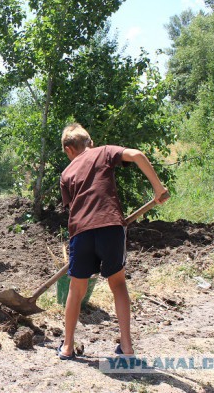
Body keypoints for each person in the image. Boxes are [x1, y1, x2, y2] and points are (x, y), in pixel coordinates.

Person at [57, 123, 169, 360]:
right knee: (117, 284)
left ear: (68, 149)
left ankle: (67, 347)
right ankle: (127, 348)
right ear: (91, 143)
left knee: (76, 290)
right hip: (110, 227)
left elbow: (73, 207)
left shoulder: (66, 173)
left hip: (81, 231)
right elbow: (137, 155)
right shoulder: (104, 151)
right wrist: (158, 189)